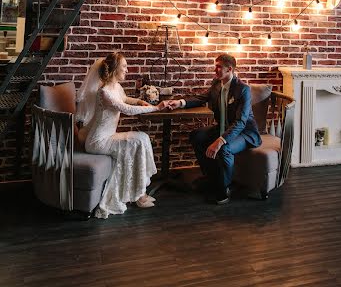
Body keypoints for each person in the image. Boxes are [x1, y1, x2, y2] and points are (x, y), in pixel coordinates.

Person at [76, 52, 165, 218]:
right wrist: (156, 108)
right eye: (124, 66)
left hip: (108, 137)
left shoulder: (116, 87)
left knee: (142, 138)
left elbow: (126, 100)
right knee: (137, 142)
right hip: (98, 141)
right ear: (115, 69)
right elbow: (126, 109)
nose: (127, 69)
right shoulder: (104, 92)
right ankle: (138, 195)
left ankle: (139, 193)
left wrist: (139, 101)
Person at [166, 53, 261, 204]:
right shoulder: (217, 84)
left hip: (244, 132)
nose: (215, 70)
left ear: (229, 69)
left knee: (225, 148)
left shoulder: (243, 90)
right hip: (223, 127)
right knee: (197, 135)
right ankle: (212, 178)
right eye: (215, 67)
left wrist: (220, 140)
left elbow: (241, 122)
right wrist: (181, 102)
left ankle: (224, 189)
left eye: (218, 67)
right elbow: (201, 98)